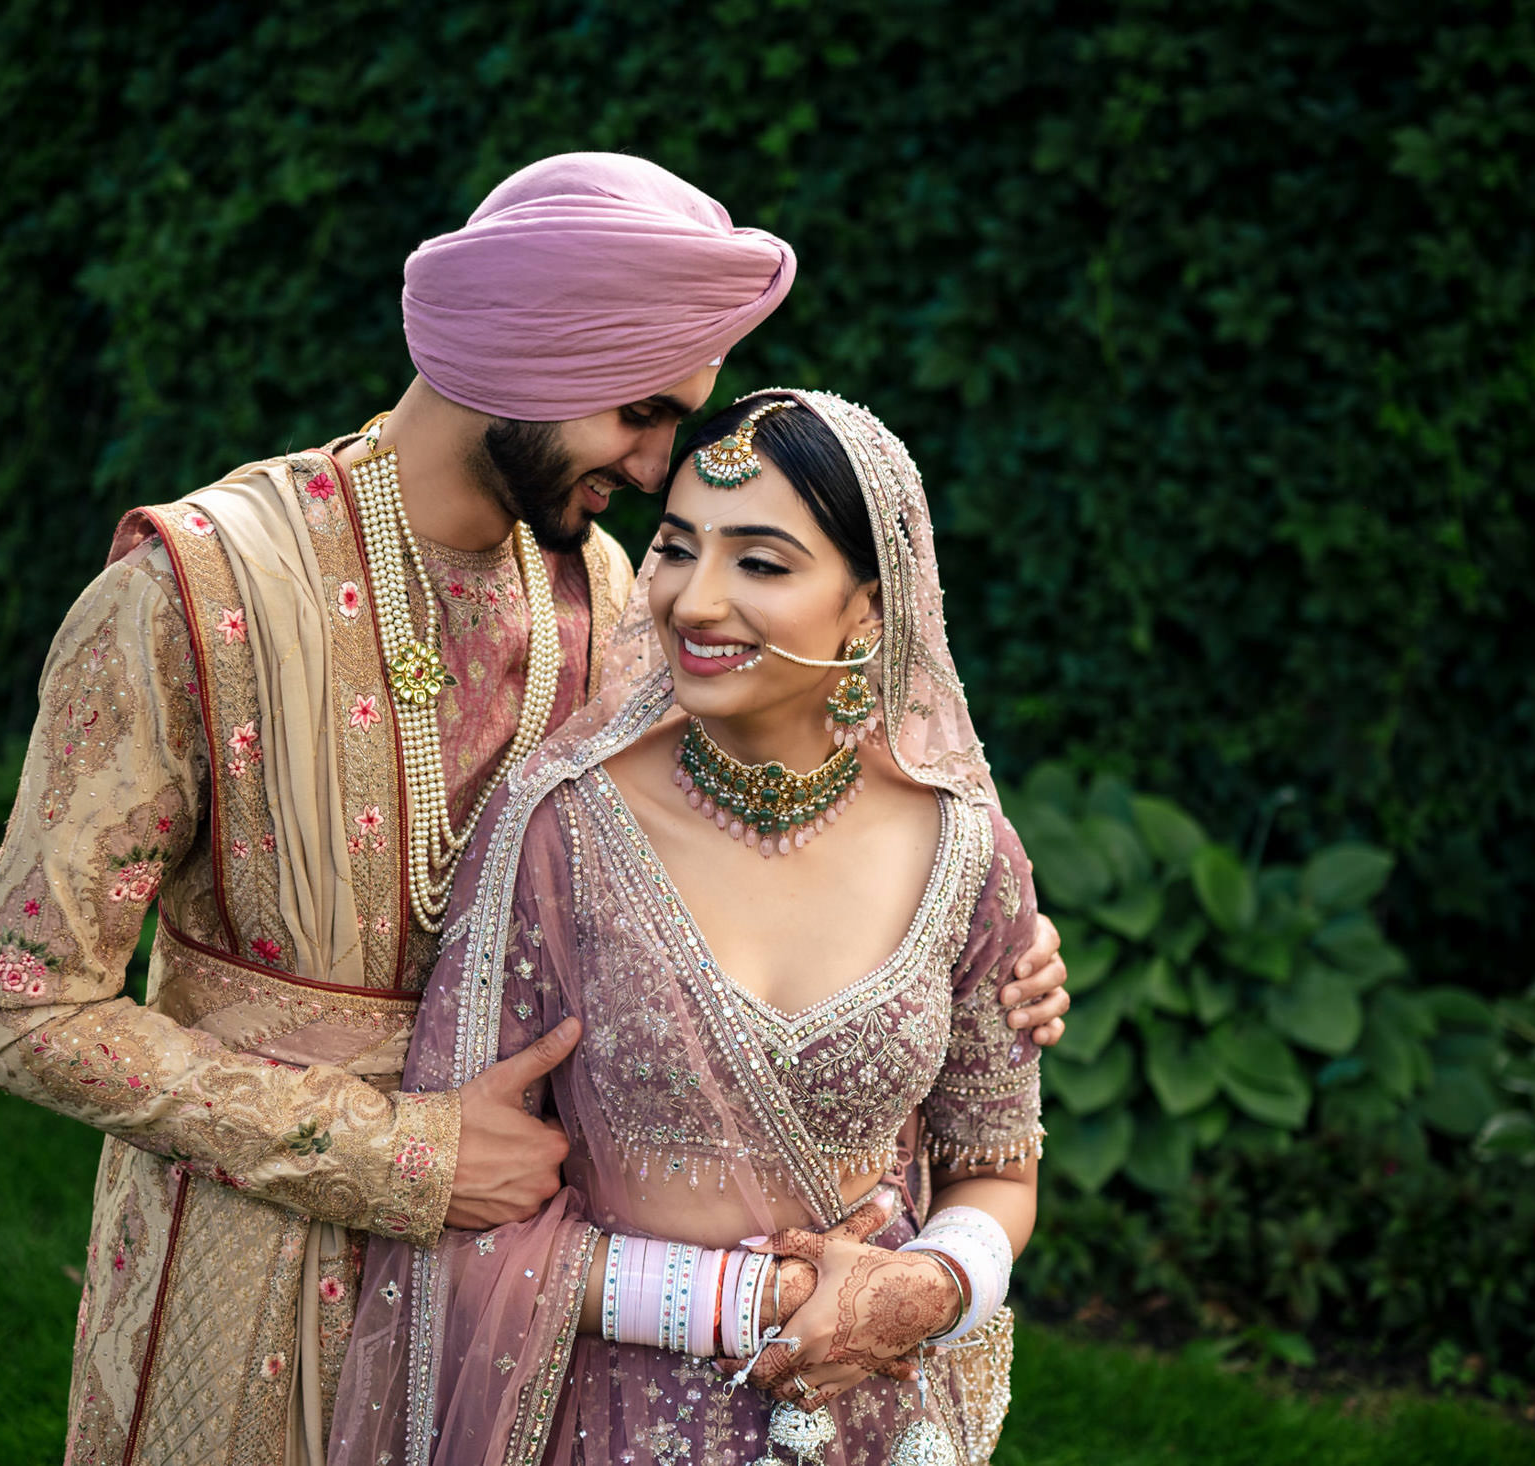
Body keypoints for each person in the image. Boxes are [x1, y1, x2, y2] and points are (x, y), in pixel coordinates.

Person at [0, 158, 1074, 1466]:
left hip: (553, 1302)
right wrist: (399, 1153)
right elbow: (25, 1005)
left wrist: (983, 957)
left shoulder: (623, 595)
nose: (662, 468)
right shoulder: (200, 593)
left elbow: (798, 818)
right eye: (643, 414)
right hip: (252, 1265)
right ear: (532, 358)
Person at [329, 390, 1047, 1466]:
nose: (694, 600)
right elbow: (461, 1201)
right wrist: (754, 1299)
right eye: (674, 546)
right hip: (604, 1411)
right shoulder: (563, 826)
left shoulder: (964, 851)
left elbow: (996, 1158)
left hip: (867, 1411)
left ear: (868, 604)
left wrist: (934, 1283)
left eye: (760, 562)